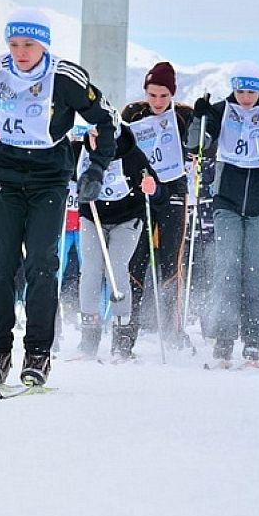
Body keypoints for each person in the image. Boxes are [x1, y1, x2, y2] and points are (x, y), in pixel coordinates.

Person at [0, 8, 117, 387]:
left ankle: (38, 353)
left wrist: (95, 169)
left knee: (42, 264)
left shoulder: (64, 77)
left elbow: (106, 120)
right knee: (0, 265)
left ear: (44, 44)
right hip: (8, 175)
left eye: (29, 44)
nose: (21, 52)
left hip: (50, 176)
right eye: (14, 44)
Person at [187, 61, 259, 364]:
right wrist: (197, 118)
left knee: (256, 267)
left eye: (251, 91)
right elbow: (196, 144)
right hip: (226, 199)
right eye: (240, 90)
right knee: (227, 265)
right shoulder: (219, 111)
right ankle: (224, 338)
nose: (245, 98)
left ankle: (256, 339)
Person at [73, 124, 163, 360]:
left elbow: (155, 186)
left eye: (102, 137)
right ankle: (89, 336)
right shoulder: (80, 151)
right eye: (94, 136)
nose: (97, 142)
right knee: (91, 269)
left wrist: (151, 187)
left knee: (116, 270)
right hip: (92, 217)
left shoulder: (131, 154)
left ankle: (123, 336)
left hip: (127, 219)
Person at [121, 62, 192, 346]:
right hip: (142, 190)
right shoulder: (133, 113)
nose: (158, 102)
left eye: (163, 96)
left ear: (172, 94)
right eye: (153, 95)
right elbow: (121, 145)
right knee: (134, 260)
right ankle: (126, 333)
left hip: (174, 189)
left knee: (170, 262)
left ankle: (174, 333)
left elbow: (204, 143)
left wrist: (198, 152)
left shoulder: (185, 115)